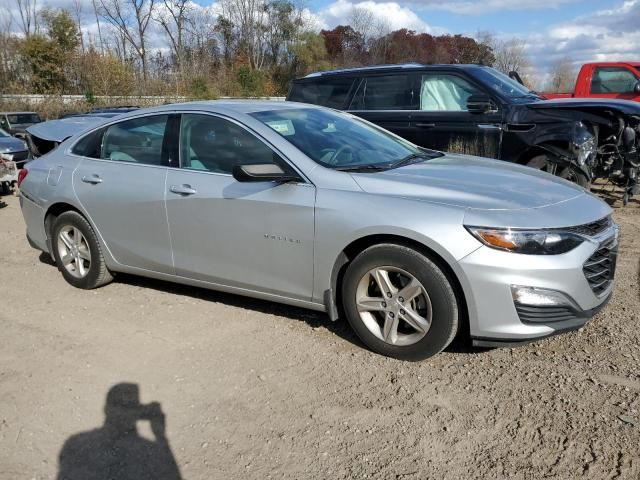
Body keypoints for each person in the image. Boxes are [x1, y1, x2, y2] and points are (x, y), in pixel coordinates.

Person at [57, 383, 181, 480]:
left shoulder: (79, 444)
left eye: (129, 407)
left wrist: (160, 437)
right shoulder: (149, 451)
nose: (124, 413)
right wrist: (161, 438)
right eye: (120, 405)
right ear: (107, 408)